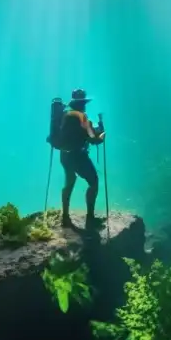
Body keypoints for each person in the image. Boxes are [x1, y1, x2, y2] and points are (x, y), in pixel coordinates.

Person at [57, 88, 105, 232]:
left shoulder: (64, 115)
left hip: (65, 155)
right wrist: (102, 135)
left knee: (69, 182)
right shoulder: (83, 118)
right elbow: (93, 139)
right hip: (78, 156)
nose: (85, 105)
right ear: (82, 103)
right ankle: (90, 217)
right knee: (94, 182)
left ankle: (65, 217)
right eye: (84, 102)